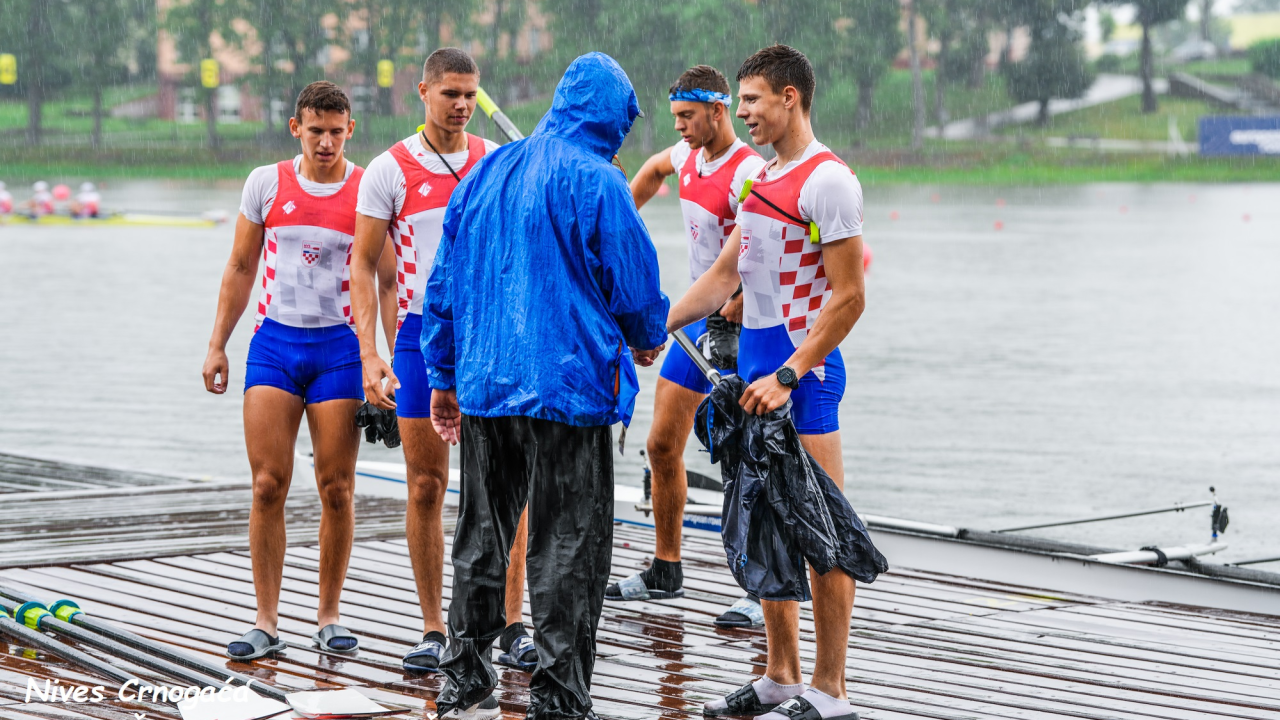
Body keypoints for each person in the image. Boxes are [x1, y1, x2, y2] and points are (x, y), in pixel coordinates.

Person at [422, 52, 668, 720]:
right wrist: (646, 336)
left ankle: (463, 675)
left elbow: (441, 283)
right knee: (569, 546)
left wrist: (441, 372)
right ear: (612, 116)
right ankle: (558, 696)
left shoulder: (485, 172)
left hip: (485, 386)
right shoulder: (599, 181)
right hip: (569, 391)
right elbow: (636, 286)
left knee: (481, 536)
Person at [666, 45, 866, 720]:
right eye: (741, 101)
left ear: (790, 97)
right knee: (764, 527)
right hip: (750, 371)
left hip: (801, 378)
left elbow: (848, 298)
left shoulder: (827, 180)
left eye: (751, 100)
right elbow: (725, 278)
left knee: (822, 531)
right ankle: (781, 674)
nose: (742, 112)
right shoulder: (760, 181)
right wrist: (647, 326)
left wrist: (789, 373)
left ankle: (831, 690)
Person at [350, 47, 534, 679]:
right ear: (422, 91)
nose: (459, 104)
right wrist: (370, 353)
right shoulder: (388, 169)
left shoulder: (497, 160)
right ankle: (436, 627)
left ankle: (512, 625)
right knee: (426, 485)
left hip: (490, 337)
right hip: (422, 336)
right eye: (448, 93)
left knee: (508, 487)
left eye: (468, 94)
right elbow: (361, 263)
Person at [201, 81, 370, 661]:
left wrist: (384, 361)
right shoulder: (266, 182)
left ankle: (329, 616)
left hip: (340, 350)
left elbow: (385, 279)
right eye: (315, 130)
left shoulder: (367, 186)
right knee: (268, 484)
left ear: (351, 130)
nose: (326, 141)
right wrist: (217, 344)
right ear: (295, 128)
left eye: (336, 131)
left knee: (337, 488)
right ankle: (266, 622)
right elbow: (241, 266)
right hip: (274, 343)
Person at [609, 64, 768, 629]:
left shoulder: (750, 171)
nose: (678, 127)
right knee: (660, 445)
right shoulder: (685, 157)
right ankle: (666, 569)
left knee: (748, 461)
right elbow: (653, 170)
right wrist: (619, 218)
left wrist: (743, 300)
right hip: (695, 326)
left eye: (686, 117)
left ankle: (760, 587)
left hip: (741, 331)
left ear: (718, 111)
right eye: (673, 117)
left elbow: (760, 253)